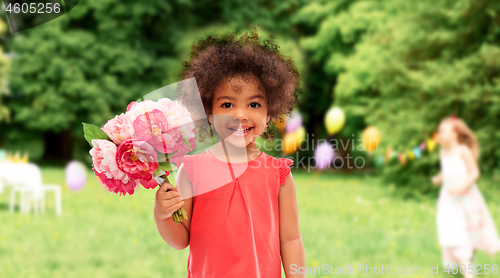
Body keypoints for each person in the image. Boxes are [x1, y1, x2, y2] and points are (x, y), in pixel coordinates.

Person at [153, 26, 305, 278]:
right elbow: (180, 239)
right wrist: (163, 214)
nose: (240, 114)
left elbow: (290, 240)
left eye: (254, 104)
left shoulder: (278, 174)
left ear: (269, 115)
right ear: (209, 113)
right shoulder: (192, 171)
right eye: (227, 104)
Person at [431, 115, 500, 278]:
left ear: (455, 133)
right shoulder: (442, 152)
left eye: (443, 131)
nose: (439, 135)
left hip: (467, 199)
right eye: (438, 131)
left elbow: (475, 172)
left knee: (467, 236)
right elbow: (447, 170)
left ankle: (469, 268)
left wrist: (462, 186)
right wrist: (439, 178)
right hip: (449, 201)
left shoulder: (463, 151)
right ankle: (468, 269)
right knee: (455, 235)